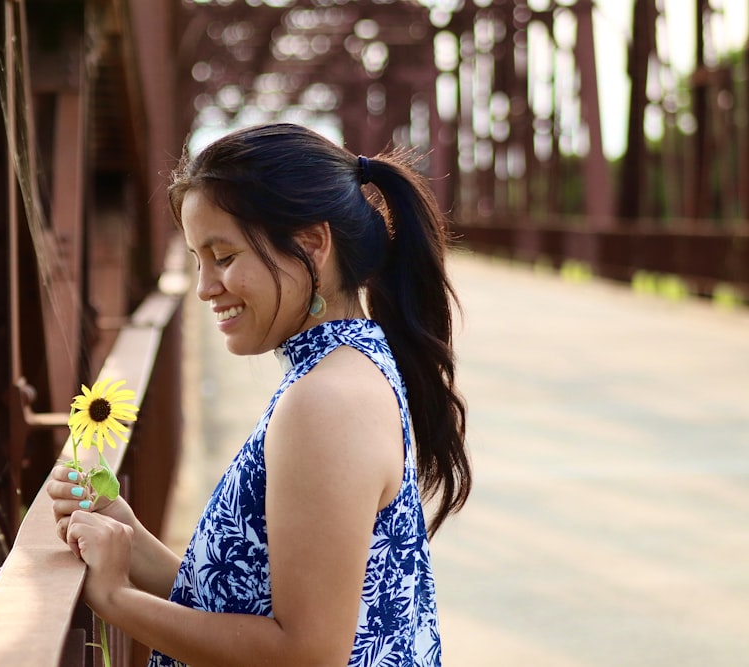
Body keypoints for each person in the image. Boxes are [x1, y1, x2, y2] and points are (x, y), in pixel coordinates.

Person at [46, 122, 471, 666]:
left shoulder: (327, 402)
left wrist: (117, 600)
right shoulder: (347, 372)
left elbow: (305, 654)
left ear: (312, 245)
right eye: (199, 260)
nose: (204, 288)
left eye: (223, 256)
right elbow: (248, 606)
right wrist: (128, 535)